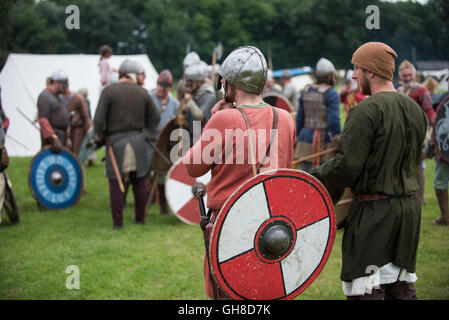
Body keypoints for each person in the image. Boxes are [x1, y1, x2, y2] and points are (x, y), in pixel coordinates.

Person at [310, 42, 427, 300]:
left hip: (376, 215)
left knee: (367, 290)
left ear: (371, 72)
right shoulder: (416, 111)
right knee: (400, 288)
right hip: (408, 212)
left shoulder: (366, 110)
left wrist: (311, 178)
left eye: (357, 69)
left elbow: (347, 166)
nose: (353, 75)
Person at [183, 46, 296, 299]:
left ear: (230, 83)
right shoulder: (286, 118)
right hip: (274, 228)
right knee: (268, 292)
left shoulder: (225, 119)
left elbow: (192, 166)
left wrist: (216, 119)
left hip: (230, 225)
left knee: (229, 295)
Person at [94, 59, 160, 229]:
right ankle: (140, 218)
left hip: (115, 143)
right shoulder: (142, 92)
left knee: (115, 182)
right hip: (138, 141)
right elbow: (155, 118)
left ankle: (118, 223)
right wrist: (145, 133)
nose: (141, 78)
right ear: (131, 74)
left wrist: (101, 137)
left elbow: (99, 120)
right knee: (139, 181)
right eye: (139, 74)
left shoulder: (109, 91)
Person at [398, 60, 435, 205]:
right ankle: (407, 193)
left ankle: (420, 197)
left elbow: (429, 111)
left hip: (418, 133)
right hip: (402, 133)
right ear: (401, 76)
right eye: (405, 76)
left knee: (419, 164)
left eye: (409, 75)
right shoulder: (399, 91)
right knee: (403, 164)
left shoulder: (422, 90)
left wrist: (434, 130)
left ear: (414, 74)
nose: (407, 78)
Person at [295, 58, 341, 172]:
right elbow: (333, 121)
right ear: (330, 76)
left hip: (304, 139)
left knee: (303, 175)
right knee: (323, 179)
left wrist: (296, 137)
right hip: (324, 140)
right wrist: (339, 140)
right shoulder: (332, 93)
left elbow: (299, 118)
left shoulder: (306, 91)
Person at [148, 70, 178, 215]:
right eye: (160, 86)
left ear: (169, 88)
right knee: (144, 172)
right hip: (149, 141)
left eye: (165, 87)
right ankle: (147, 199)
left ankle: (164, 207)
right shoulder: (149, 98)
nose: (162, 89)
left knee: (163, 174)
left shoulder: (174, 103)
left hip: (165, 144)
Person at [424, 78, 449, 226]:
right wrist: (431, 145)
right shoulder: (443, 99)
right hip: (444, 150)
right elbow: (437, 124)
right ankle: (445, 216)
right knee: (440, 182)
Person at [183, 62, 217, 144]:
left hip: (205, 142)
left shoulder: (210, 96)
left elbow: (200, 116)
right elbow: (189, 122)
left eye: (191, 82)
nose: (189, 85)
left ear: (199, 82)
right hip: (191, 140)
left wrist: (189, 102)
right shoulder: (193, 96)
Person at [37, 70, 70, 153]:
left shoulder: (57, 96)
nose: (66, 87)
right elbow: (43, 121)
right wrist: (54, 138)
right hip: (52, 139)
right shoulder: (45, 96)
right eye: (63, 84)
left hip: (61, 136)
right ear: (56, 83)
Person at [61, 83, 92, 157]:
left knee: (76, 151)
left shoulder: (78, 98)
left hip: (77, 129)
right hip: (66, 129)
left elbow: (85, 116)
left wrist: (88, 130)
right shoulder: (60, 98)